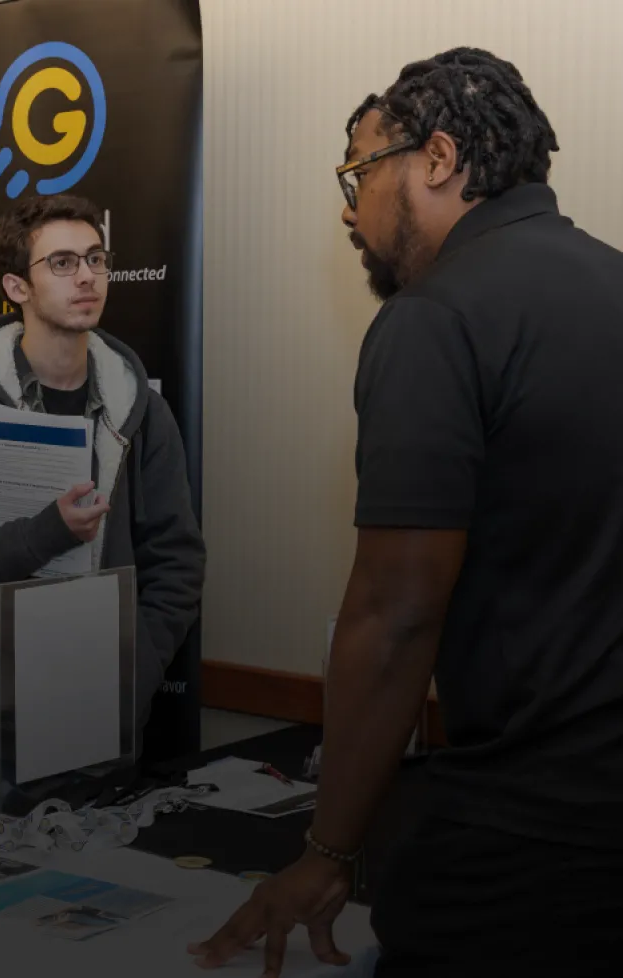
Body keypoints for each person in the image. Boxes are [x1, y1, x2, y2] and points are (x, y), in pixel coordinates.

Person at [190, 47, 623, 977]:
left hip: (527, 848)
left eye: (357, 172)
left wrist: (329, 852)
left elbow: (395, 616)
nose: (347, 209)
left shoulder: (436, 318)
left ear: (435, 160)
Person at [0, 193, 206, 812]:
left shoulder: (143, 413)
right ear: (16, 286)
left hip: (104, 723)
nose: (87, 275)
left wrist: (131, 673)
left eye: (95, 257)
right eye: (62, 263)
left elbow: (177, 562)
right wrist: (46, 532)